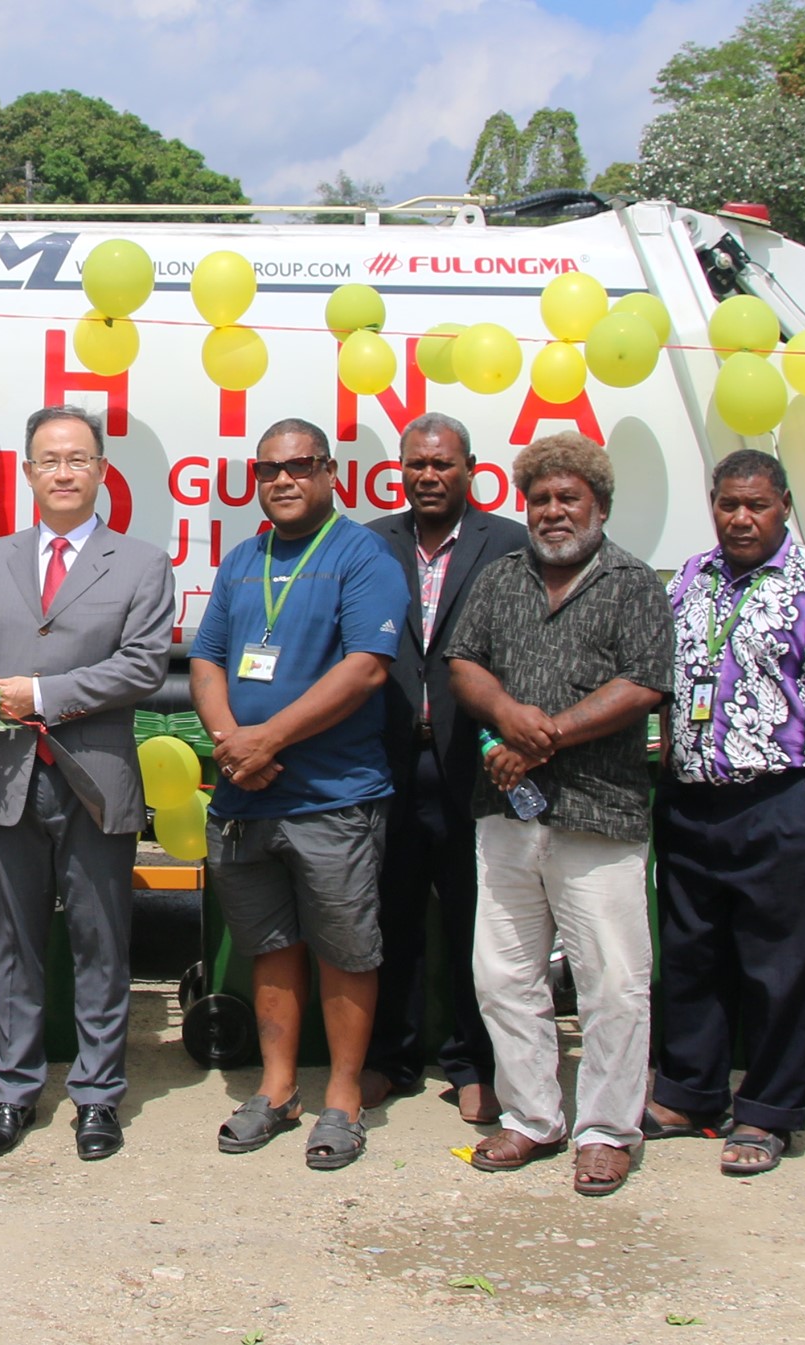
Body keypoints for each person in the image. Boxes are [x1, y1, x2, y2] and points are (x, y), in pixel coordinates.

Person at [0, 405, 175, 1162]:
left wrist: (43, 693)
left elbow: (140, 666)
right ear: (28, 474)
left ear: (101, 472)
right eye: (48, 460)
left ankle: (98, 1096)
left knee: (102, 940)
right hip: (6, 772)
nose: (63, 472)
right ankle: (13, 1089)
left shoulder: (140, 563)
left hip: (94, 775)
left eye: (78, 459)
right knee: (11, 941)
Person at [441, 431, 669, 1196]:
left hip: (598, 814)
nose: (552, 510)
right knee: (503, 973)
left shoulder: (633, 582)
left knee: (612, 980)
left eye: (569, 496)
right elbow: (463, 661)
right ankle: (533, 1116)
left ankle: (607, 1129)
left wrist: (545, 738)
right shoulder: (502, 577)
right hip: (505, 810)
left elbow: (644, 682)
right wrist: (506, 713)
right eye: (540, 497)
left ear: (599, 504)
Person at [644, 449, 805, 1178]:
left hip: (779, 802)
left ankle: (769, 1112)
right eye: (728, 504)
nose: (741, 518)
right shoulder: (690, 579)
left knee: (780, 969)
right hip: (692, 801)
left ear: (784, 506)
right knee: (690, 955)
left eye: (757, 505)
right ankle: (688, 1093)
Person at [193, 418, 412, 1172]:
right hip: (246, 796)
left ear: (328, 473)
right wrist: (232, 742)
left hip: (331, 797)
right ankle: (279, 1090)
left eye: (299, 466)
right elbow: (207, 662)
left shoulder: (362, 554)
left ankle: (343, 1098)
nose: (282, 479)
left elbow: (367, 669)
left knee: (346, 950)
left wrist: (267, 740)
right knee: (270, 949)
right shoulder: (240, 561)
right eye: (268, 470)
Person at [363, 413, 526, 1125]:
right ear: (401, 468)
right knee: (389, 919)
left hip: (476, 762)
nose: (429, 475)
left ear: (471, 469)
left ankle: (472, 1062)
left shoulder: (512, 544)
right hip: (388, 759)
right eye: (417, 464)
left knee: (477, 923)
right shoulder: (370, 543)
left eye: (443, 464)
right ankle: (391, 1059)